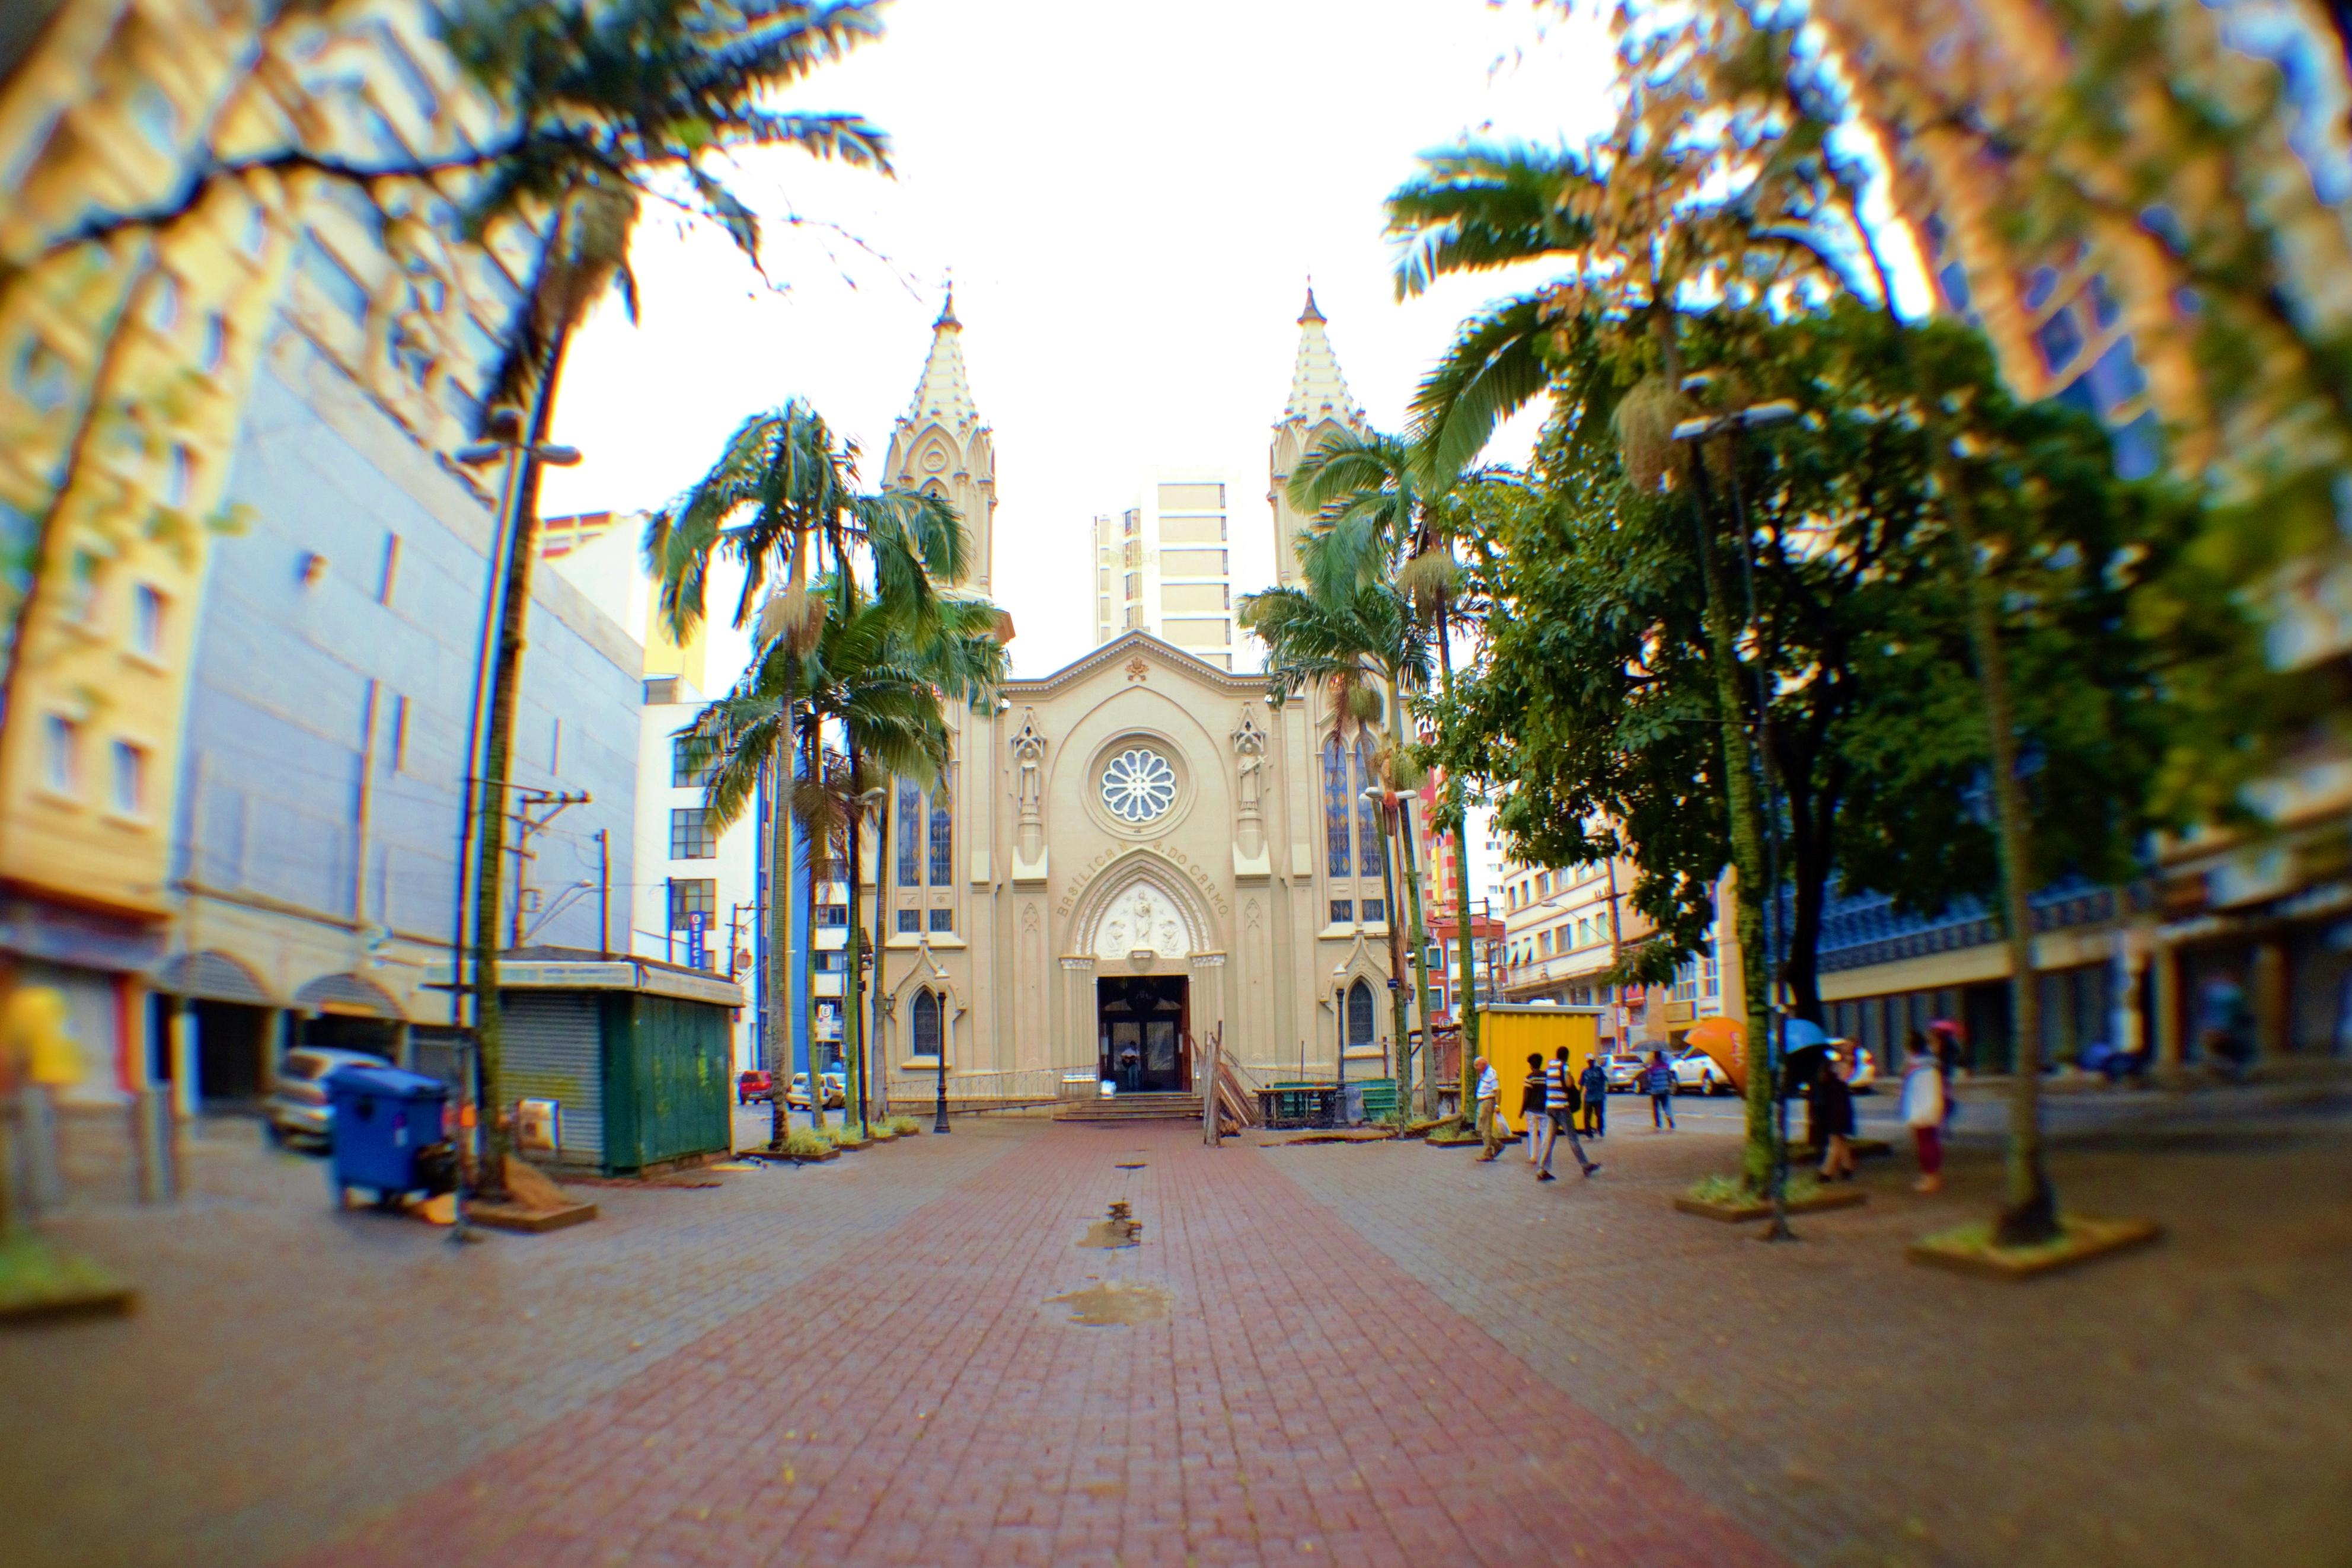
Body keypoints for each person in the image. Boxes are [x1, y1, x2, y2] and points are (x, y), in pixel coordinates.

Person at [1537, 1046, 1601, 1181]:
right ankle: (1585, 1165)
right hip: (1562, 1107)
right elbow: (1568, 1083)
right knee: (1572, 1138)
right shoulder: (1564, 1066)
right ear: (1566, 1056)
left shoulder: (1549, 1067)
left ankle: (1542, 1170)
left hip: (1550, 1107)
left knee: (1549, 1140)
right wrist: (1570, 1076)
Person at [1900, 1031, 1945, 1192]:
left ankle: (1930, 1177)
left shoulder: (1914, 1067)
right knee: (1932, 1142)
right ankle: (1932, 1176)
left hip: (1921, 1110)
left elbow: (1911, 1091)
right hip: (1933, 1107)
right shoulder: (1932, 1064)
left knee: (1925, 1145)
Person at [1815, 1046, 1858, 1182]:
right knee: (1839, 1138)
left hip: (1837, 1107)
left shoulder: (1840, 1066)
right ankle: (1847, 1167)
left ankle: (1827, 1172)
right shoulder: (1833, 1065)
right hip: (1836, 1105)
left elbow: (1843, 1076)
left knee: (1835, 1139)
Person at [1472, 1055, 1507, 1160]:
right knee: (1479, 1128)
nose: (1476, 1068)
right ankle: (1497, 1145)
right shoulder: (1483, 1074)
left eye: (1477, 1065)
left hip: (1487, 1101)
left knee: (1486, 1128)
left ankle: (1487, 1152)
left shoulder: (1491, 1074)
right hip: (1481, 1101)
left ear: (1483, 1065)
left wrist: (1497, 1105)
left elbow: (1498, 1090)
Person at [1520, 1053, 1547, 1163]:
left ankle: (1533, 1156)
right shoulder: (1547, 1076)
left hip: (1532, 1109)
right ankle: (1545, 1154)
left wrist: (1522, 1110)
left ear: (1531, 1065)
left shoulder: (1529, 1077)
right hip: (1545, 1109)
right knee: (1545, 1132)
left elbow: (1526, 1095)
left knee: (1532, 1132)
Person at [1644, 1049, 1677, 1131]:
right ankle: (1670, 1122)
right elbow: (1670, 1078)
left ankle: (1658, 1124)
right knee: (1666, 1107)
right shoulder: (1666, 1066)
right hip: (1665, 1090)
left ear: (1654, 1057)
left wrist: (1647, 1070)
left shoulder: (1652, 1068)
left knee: (1656, 1108)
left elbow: (1649, 1079)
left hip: (1655, 1091)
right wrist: (1669, 1085)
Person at [1579, 1052, 1609, 1138]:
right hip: (1589, 1096)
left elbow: (1604, 1080)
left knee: (1599, 1114)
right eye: (1589, 1061)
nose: (1590, 1063)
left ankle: (1600, 1129)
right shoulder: (1585, 1072)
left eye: (1592, 1061)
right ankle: (1588, 1132)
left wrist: (1604, 1091)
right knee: (1587, 1116)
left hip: (1598, 1096)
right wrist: (1579, 1094)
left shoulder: (1599, 1070)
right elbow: (1582, 1083)